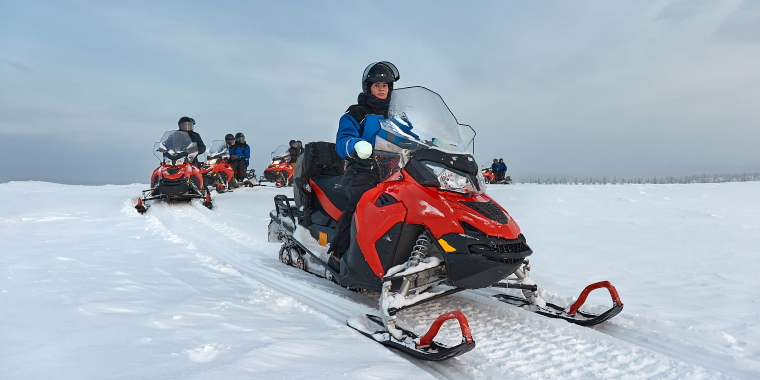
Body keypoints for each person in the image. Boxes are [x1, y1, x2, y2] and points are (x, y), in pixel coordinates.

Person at [327, 61, 400, 271]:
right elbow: (342, 142)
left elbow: (414, 136)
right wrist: (356, 144)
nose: (381, 89)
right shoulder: (356, 114)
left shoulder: (398, 117)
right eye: (377, 85)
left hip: (396, 170)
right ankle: (338, 255)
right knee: (362, 204)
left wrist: (436, 143)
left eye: (385, 85)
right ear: (368, 87)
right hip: (363, 170)